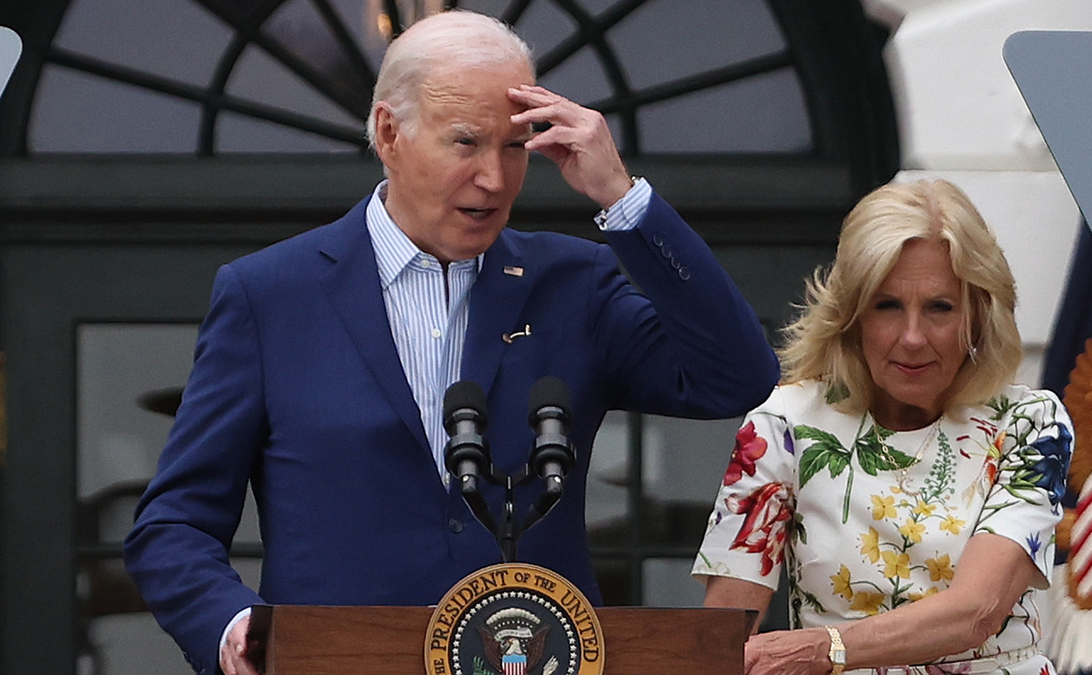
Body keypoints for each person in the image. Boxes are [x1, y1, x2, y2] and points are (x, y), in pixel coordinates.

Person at [123, 9, 780, 675]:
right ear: (389, 132)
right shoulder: (269, 295)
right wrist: (235, 626)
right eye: (466, 143)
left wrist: (621, 195)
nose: (495, 179)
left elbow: (735, 374)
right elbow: (173, 524)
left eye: (514, 147)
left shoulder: (571, 284)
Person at [692, 178, 1074, 675]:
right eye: (887, 305)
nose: (912, 338)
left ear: (978, 315)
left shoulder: (1029, 424)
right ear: (852, 316)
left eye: (939, 307)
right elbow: (724, 634)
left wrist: (822, 649)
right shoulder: (783, 423)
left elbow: (977, 613)